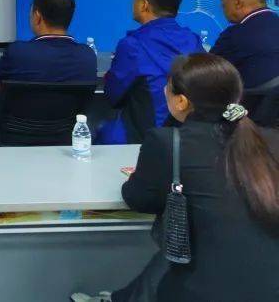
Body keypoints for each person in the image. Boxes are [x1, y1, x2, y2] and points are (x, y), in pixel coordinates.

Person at [72, 54, 279, 302]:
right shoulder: (268, 139)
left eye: (167, 87)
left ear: (181, 101)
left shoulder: (167, 143)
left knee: (178, 252)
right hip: (269, 285)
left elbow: (138, 199)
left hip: (207, 290)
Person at [0, 0, 97, 147]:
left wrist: (2, 84)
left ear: (37, 16)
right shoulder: (87, 56)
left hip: (15, 136)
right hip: (65, 137)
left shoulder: (19, 52)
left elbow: (2, 73)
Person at [97, 0, 203, 145]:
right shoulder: (194, 40)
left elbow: (113, 96)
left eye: (135, 0)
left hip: (144, 139)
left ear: (144, 5)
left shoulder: (132, 45)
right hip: (190, 137)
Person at [212, 0, 279, 90]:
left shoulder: (234, 37)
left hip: (251, 106)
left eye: (223, 0)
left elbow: (202, 75)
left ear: (237, 2)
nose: (221, 6)